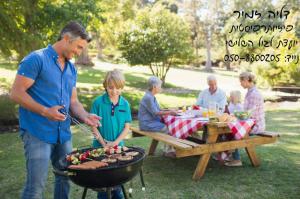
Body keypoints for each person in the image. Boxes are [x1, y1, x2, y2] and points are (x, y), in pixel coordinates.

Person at [10, 21, 101, 199]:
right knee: (36, 187)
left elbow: (73, 101)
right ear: (66, 39)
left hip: (63, 134)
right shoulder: (36, 59)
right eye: (79, 47)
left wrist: (85, 116)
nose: (79, 52)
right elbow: (16, 93)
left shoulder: (71, 69)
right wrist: (45, 111)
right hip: (38, 133)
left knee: (66, 177)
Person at [91, 69, 132, 199]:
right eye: (111, 88)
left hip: (118, 147)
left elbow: (127, 128)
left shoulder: (125, 104)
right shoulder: (98, 103)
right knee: (103, 181)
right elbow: (93, 126)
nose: (114, 91)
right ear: (105, 86)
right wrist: (104, 144)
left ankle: (117, 194)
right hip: (100, 146)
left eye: (118, 88)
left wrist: (114, 143)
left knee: (116, 179)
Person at [225, 72, 265, 167]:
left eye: (241, 81)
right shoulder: (250, 92)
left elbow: (249, 114)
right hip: (250, 124)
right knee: (229, 131)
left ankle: (236, 159)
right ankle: (231, 155)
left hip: (255, 126)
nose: (240, 83)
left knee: (233, 131)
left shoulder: (254, 94)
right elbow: (246, 113)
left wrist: (234, 116)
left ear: (246, 80)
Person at [138, 76, 177, 157]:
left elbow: (158, 109)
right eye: (160, 86)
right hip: (147, 124)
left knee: (169, 127)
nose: (160, 88)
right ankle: (168, 151)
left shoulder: (151, 96)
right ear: (154, 87)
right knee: (167, 129)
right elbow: (156, 112)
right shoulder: (148, 97)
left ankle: (168, 149)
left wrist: (169, 110)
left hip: (151, 122)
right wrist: (170, 112)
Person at [224, 90, 243, 167]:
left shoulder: (239, 106)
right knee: (224, 135)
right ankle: (230, 154)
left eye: (232, 96)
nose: (230, 97)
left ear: (236, 97)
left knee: (233, 136)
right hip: (231, 125)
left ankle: (237, 159)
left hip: (239, 127)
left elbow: (240, 118)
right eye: (230, 95)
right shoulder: (230, 104)